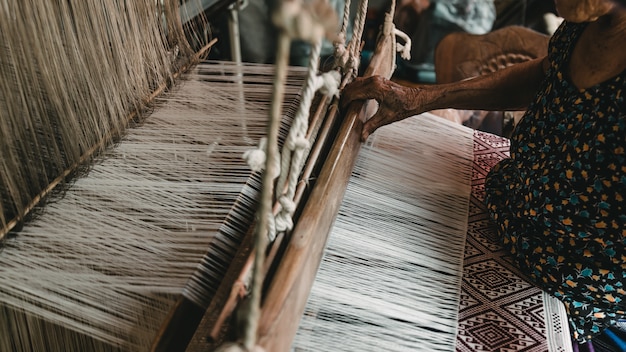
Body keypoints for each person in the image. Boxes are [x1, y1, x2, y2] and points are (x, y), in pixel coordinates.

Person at [341, 0, 626, 344]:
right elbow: (546, 74)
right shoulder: (588, 23)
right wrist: (420, 98)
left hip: (569, 285)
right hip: (507, 201)